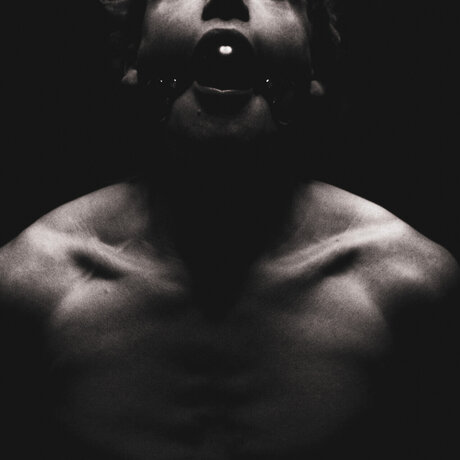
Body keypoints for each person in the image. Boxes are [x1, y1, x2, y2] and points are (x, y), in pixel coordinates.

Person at [1, 0, 458, 458]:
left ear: (314, 67)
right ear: (132, 60)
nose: (227, 0)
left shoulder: (411, 289)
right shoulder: (28, 289)